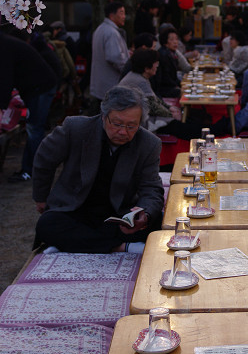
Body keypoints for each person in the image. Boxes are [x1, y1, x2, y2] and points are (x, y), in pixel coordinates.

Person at [33, 86, 164, 254]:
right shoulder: (76, 128)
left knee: (157, 220)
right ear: (104, 117)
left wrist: (145, 213)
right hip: (75, 209)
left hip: (117, 215)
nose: (123, 131)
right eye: (117, 124)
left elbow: (151, 187)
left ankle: (74, 244)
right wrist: (41, 198)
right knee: (47, 224)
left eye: (132, 126)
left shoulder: (148, 143)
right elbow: (45, 158)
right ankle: (121, 247)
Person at [1, 33, 58, 183]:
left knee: (34, 129)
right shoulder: (8, 43)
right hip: (38, 86)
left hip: (40, 87)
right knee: (34, 128)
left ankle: (32, 170)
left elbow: (5, 78)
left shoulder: (4, 46)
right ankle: (31, 168)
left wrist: (2, 106)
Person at [119, 49, 204, 140]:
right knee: (181, 127)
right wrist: (170, 114)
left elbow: (153, 99)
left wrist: (169, 108)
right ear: (147, 68)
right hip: (140, 123)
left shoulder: (138, 77)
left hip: (139, 117)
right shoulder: (139, 81)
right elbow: (153, 106)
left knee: (187, 118)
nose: (157, 66)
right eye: (155, 63)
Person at [89, 2, 129, 112]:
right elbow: (114, 57)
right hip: (110, 83)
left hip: (101, 84)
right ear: (112, 15)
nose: (124, 16)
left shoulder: (101, 29)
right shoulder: (111, 32)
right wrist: (127, 70)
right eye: (121, 13)